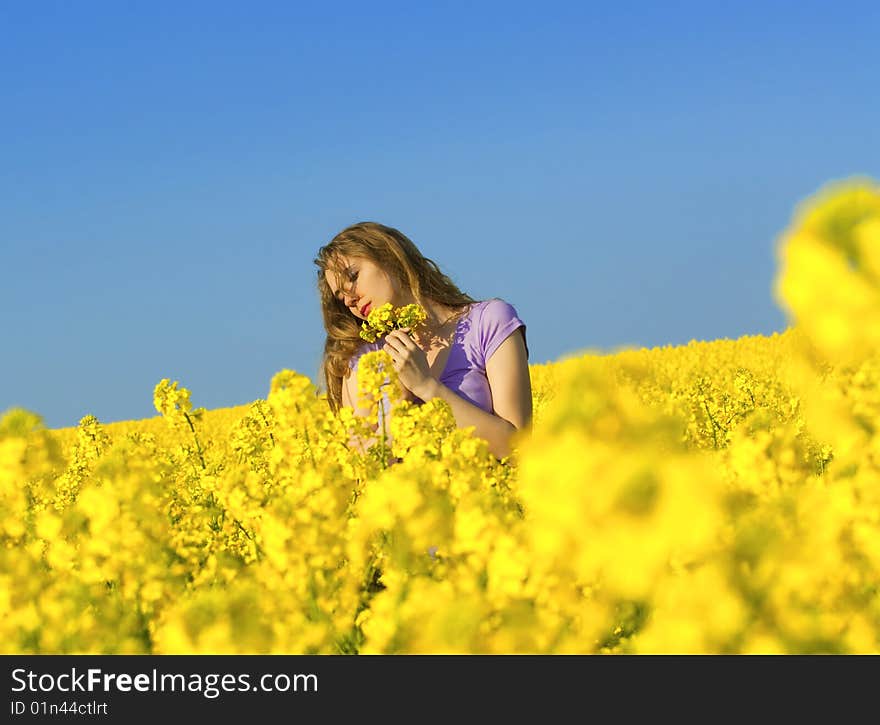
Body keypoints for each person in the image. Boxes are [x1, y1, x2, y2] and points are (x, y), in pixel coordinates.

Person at [314, 221, 532, 460]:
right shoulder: (361, 359)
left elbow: (520, 450)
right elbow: (363, 477)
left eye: (353, 277)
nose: (350, 300)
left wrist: (426, 386)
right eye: (340, 297)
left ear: (388, 256)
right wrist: (400, 403)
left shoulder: (489, 321)